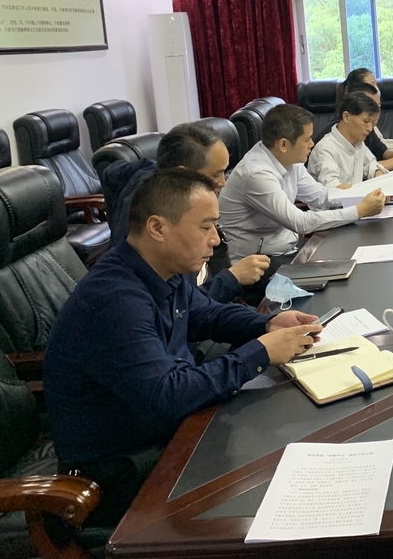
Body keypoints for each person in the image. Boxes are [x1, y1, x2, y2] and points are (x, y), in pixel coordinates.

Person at [44, 170, 323, 527]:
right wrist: (261, 352)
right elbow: (167, 395)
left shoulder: (163, 270)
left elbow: (208, 314)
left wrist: (266, 325)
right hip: (120, 474)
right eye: (206, 227)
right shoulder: (115, 300)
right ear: (157, 228)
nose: (216, 240)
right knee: (276, 492)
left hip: (172, 437)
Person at [218, 103, 385, 299]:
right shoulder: (256, 174)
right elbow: (301, 222)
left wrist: (363, 196)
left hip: (288, 251)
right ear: (284, 144)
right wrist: (359, 211)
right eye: (307, 139)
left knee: (350, 260)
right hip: (257, 266)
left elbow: (322, 196)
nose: (312, 144)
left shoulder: (288, 159)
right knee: (336, 286)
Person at [101, 122, 268, 302]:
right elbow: (180, 307)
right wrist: (231, 278)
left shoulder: (184, 205)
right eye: (215, 175)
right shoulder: (162, 223)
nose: (223, 182)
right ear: (182, 174)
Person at [307, 90, 382, 188]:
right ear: (346, 117)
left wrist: (379, 177)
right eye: (366, 121)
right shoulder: (325, 149)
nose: (370, 128)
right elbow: (332, 187)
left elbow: (372, 166)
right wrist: (366, 190)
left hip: (357, 197)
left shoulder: (358, 143)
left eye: (373, 123)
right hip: (337, 198)